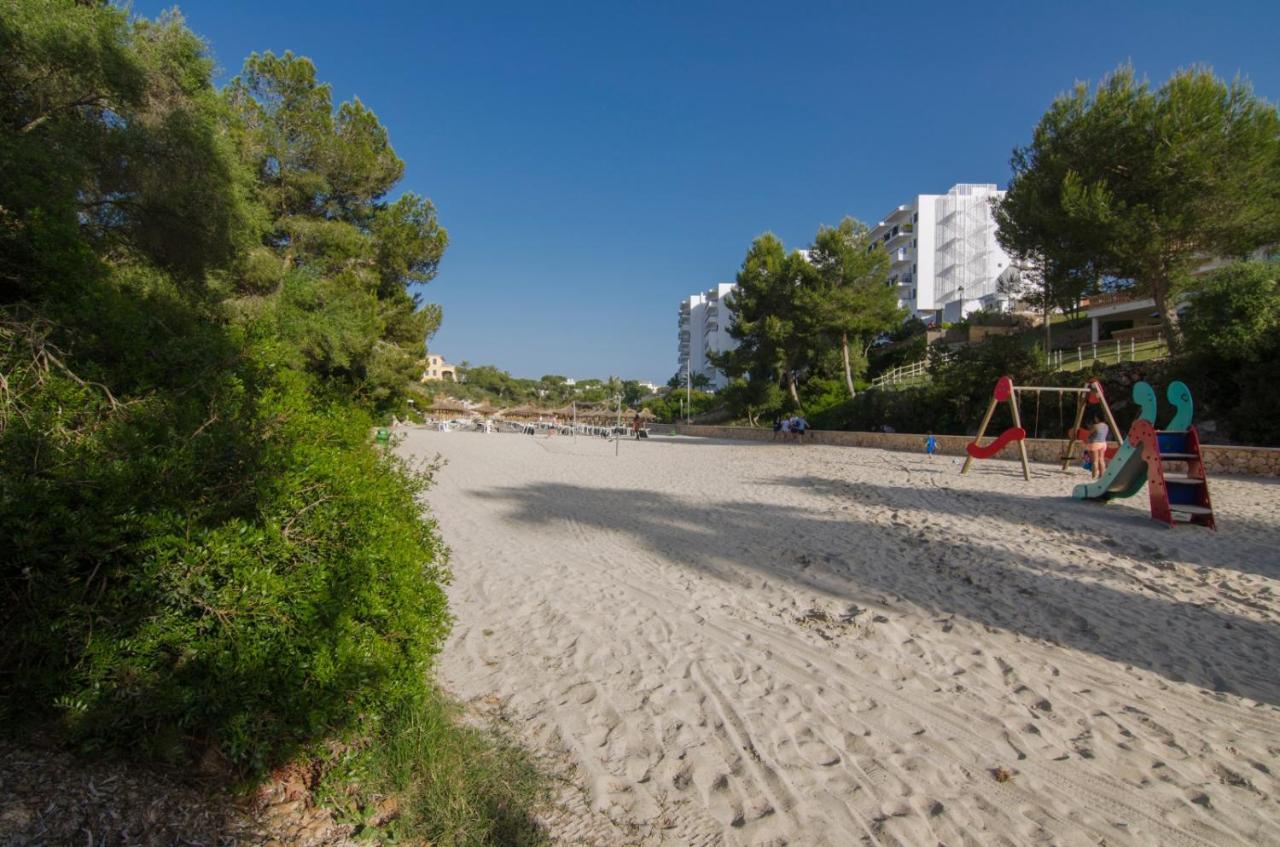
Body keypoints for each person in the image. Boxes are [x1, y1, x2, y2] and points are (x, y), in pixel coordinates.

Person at [1086, 415, 1110, 479]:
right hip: (1103, 443)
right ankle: (1102, 476)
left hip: (1095, 443)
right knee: (1101, 460)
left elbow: (1090, 433)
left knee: (1095, 461)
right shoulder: (1106, 426)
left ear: (1097, 418)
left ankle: (1093, 476)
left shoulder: (1095, 426)